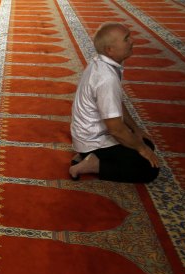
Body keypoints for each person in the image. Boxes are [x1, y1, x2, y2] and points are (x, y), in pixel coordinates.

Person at [69, 22, 159, 183]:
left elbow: (116, 105)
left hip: (90, 135)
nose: (132, 41)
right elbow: (116, 130)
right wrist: (141, 148)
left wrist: (136, 130)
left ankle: (87, 156)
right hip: (93, 140)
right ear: (110, 50)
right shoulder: (106, 78)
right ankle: (92, 164)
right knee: (149, 169)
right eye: (126, 39)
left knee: (146, 143)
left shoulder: (102, 62)